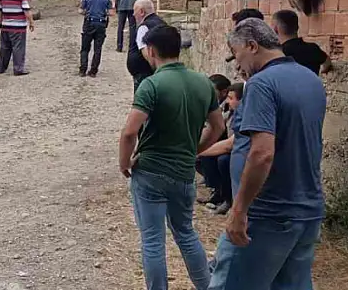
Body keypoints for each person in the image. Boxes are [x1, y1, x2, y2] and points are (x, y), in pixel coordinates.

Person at [209, 19, 327, 290]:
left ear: (252, 46)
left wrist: (239, 210)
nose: (236, 65)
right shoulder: (311, 79)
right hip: (306, 209)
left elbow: (262, 153)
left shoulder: (262, 84)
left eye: (237, 54)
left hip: (267, 213)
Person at [119, 25, 226, 290]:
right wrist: (194, 149)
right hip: (184, 173)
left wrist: (124, 163)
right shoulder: (204, 82)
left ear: (151, 50)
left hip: (151, 171)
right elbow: (218, 127)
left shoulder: (151, 84)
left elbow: (130, 131)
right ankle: (207, 286)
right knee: (186, 233)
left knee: (153, 240)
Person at [197, 83, 244, 216]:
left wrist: (197, 151)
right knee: (207, 156)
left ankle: (229, 200)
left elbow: (231, 144)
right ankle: (217, 192)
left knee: (223, 160)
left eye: (231, 98)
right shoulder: (230, 113)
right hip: (232, 149)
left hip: (240, 152)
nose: (228, 101)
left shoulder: (245, 116)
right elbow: (214, 125)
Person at [0, 0, 36, 76]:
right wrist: (31, 23)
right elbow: (27, 11)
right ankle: (18, 69)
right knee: (18, 48)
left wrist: (0, 22)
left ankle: (0, 68)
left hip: (5, 26)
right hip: (18, 27)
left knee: (4, 47)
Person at [271, 9, 331, 76]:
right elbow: (327, 63)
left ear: (275, 29)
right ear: (297, 27)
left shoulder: (277, 55)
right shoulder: (313, 49)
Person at [126, 0, 168, 91]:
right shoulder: (162, 23)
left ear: (141, 11)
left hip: (144, 73)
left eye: (134, 11)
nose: (133, 14)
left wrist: (155, 68)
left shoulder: (144, 27)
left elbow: (145, 51)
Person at [78, 0, 114, 77]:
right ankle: (93, 71)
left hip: (89, 23)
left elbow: (80, 10)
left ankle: (82, 70)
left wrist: (87, 13)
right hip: (101, 24)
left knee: (85, 48)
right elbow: (111, 13)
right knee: (97, 49)